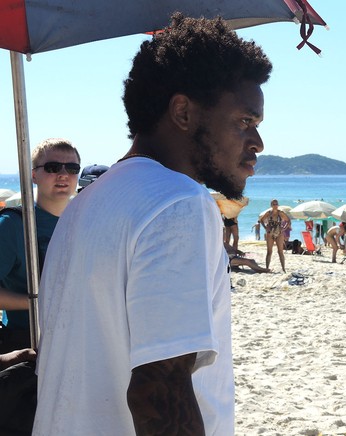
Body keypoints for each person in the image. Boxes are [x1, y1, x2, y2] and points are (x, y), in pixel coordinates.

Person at [33, 14, 272, 435]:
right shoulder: (177, 203)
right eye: (243, 122)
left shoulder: (87, 201)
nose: (257, 143)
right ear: (183, 111)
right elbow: (157, 391)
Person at [0, 138, 80, 353]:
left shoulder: (86, 221)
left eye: (72, 168)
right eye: (52, 167)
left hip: (80, 342)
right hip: (32, 346)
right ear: (34, 175)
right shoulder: (13, 225)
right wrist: (36, 302)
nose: (63, 174)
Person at [260, 199, 291, 273]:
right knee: (269, 251)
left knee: (280, 251)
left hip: (279, 233)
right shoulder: (268, 213)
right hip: (270, 233)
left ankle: (283, 269)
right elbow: (261, 220)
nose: (275, 205)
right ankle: (267, 268)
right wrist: (265, 228)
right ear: (271, 205)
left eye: (276, 204)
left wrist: (283, 229)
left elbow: (288, 221)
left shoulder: (280, 213)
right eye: (274, 204)